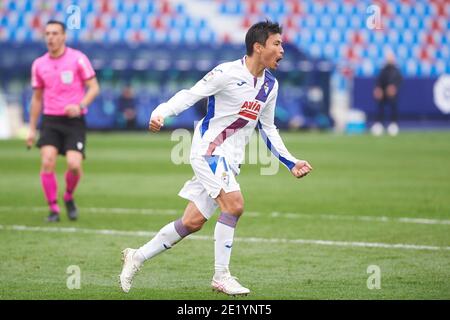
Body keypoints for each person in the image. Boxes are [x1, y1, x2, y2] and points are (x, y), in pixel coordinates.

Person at [119, 21, 313, 296]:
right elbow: (192, 93)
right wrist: (162, 111)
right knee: (234, 206)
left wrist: (291, 161)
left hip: (230, 160)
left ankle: (136, 256)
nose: (282, 50)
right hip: (208, 150)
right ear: (258, 47)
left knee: (191, 222)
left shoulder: (271, 85)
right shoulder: (227, 72)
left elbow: (267, 128)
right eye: (277, 44)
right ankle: (221, 276)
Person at [26, 20, 100, 222]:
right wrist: (32, 128)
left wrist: (80, 106)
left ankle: (68, 196)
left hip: (74, 120)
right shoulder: (39, 64)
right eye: (47, 33)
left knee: (74, 164)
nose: (51, 37)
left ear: (64, 36)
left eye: (55, 33)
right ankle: (53, 209)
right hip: (50, 119)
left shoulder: (78, 59)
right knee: (47, 160)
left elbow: (93, 87)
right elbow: (37, 98)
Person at [371, 51, 402, 136]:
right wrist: (378, 89)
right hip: (383, 92)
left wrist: (394, 87)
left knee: (393, 104)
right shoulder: (383, 70)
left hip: (392, 93)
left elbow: (399, 81)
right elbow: (379, 81)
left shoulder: (396, 70)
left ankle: (393, 124)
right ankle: (379, 123)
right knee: (380, 104)